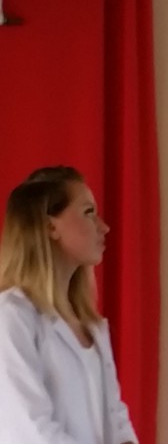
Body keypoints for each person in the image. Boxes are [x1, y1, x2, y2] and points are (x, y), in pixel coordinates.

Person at [0, 166, 137, 444]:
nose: (103, 227)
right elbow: (31, 430)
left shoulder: (92, 325)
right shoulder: (11, 316)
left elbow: (117, 419)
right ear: (50, 226)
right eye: (88, 212)